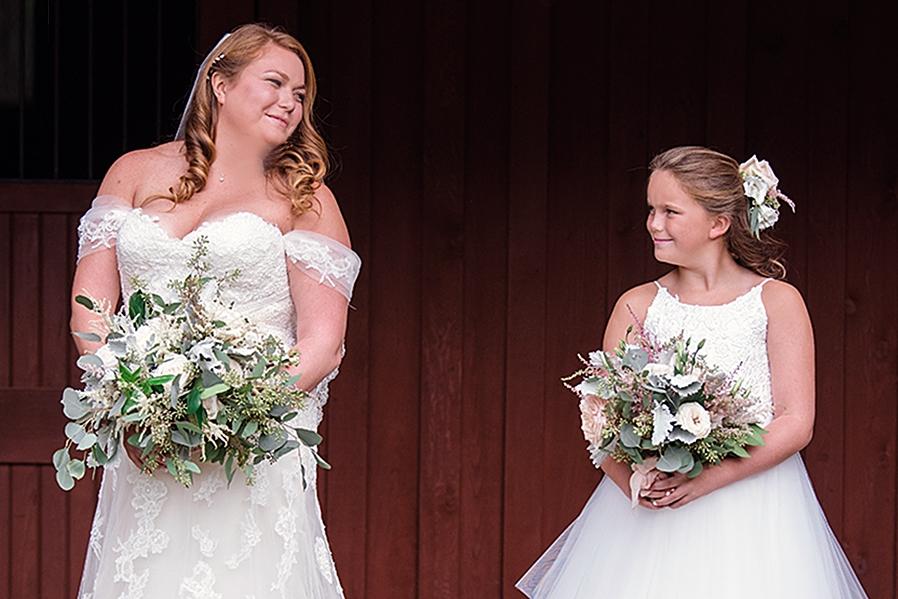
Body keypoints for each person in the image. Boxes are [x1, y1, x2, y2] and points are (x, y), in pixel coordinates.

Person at [71, 24, 358, 598]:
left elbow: (323, 343)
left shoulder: (305, 197)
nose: (290, 103)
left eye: (301, 95)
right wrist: (136, 399)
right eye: (274, 83)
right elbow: (91, 313)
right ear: (220, 84)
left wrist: (230, 414)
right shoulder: (133, 172)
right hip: (148, 441)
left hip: (250, 449)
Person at [516, 146, 867, 598]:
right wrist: (639, 487)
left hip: (755, 511)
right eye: (651, 210)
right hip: (651, 514)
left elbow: (796, 421)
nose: (653, 224)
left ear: (718, 224)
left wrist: (706, 479)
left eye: (670, 212)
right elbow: (601, 421)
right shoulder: (637, 306)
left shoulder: (775, 302)